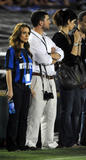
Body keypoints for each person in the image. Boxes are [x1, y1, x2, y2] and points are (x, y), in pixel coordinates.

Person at [25, 10, 64, 150]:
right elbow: (43, 59)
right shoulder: (32, 38)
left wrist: (52, 55)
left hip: (50, 78)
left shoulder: (46, 38)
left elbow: (61, 52)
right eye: (47, 19)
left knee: (50, 111)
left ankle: (48, 142)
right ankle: (30, 142)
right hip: (37, 78)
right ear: (41, 22)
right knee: (36, 111)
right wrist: (52, 56)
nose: (50, 22)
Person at [52, 8, 82, 147]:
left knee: (76, 111)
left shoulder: (69, 36)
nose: (74, 25)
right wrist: (76, 42)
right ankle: (65, 140)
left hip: (75, 78)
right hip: (66, 79)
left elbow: (78, 58)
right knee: (68, 111)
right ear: (68, 21)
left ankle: (74, 139)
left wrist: (79, 42)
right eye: (73, 22)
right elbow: (70, 59)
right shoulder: (58, 37)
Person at [5, 23, 33, 151]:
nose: (27, 35)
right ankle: (11, 144)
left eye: (28, 33)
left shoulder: (27, 52)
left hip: (26, 88)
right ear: (18, 34)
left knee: (24, 116)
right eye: (24, 33)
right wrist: (10, 89)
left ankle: (21, 144)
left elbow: (28, 71)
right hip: (16, 88)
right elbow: (9, 71)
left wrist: (30, 87)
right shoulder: (11, 50)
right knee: (14, 117)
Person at [77, 11, 86, 146]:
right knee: (76, 112)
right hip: (78, 80)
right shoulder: (73, 36)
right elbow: (75, 60)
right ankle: (76, 139)